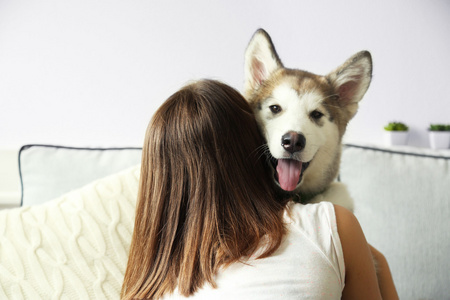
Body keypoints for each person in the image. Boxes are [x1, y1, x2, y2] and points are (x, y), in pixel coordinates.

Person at [121, 79, 398, 300]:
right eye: (275, 110)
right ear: (252, 138)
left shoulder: (150, 273)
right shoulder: (332, 225)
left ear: (155, 181)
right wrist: (376, 263)